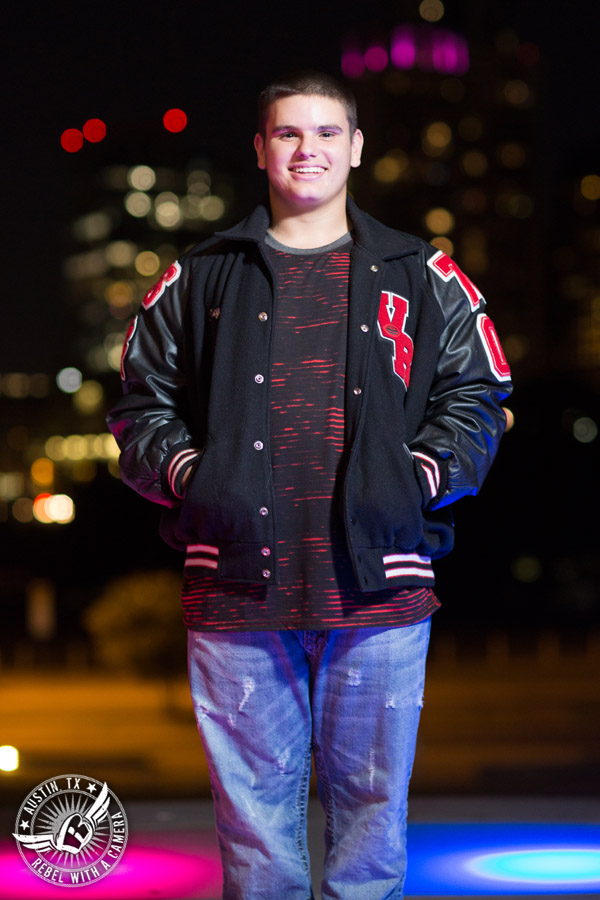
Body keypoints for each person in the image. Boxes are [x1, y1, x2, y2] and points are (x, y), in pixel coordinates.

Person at [107, 71, 512, 900]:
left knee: (371, 830)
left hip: (380, 587)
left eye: (327, 133)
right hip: (235, 589)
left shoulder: (422, 271)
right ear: (260, 148)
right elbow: (135, 403)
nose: (308, 150)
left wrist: (422, 474)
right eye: (288, 133)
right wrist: (193, 474)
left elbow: (482, 392)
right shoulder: (203, 275)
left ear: (357, 147)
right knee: (255, 840)